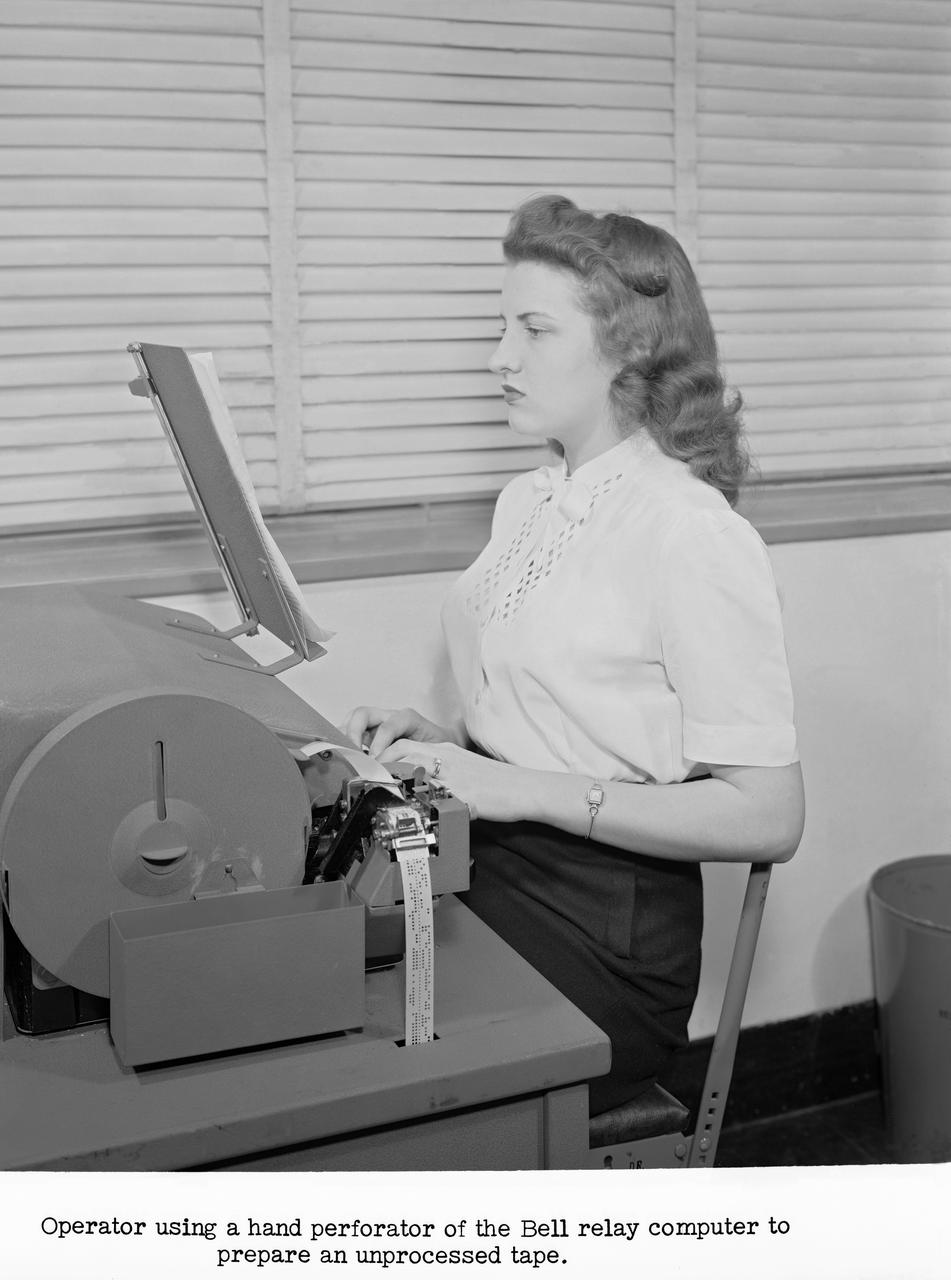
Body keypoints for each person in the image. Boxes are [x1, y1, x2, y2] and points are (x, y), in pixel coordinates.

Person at [344, 194, 804, 1114]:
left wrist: (516, 788)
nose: (498, 357)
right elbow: (568, 716)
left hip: (601, 934)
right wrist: (449, 741)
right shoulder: (529, 499)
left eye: (533, 329)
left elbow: (769, 817)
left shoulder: (688, 530)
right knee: (301, 995)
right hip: (492, 865)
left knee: (354, 1069)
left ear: (629, 348)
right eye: (500, 327)